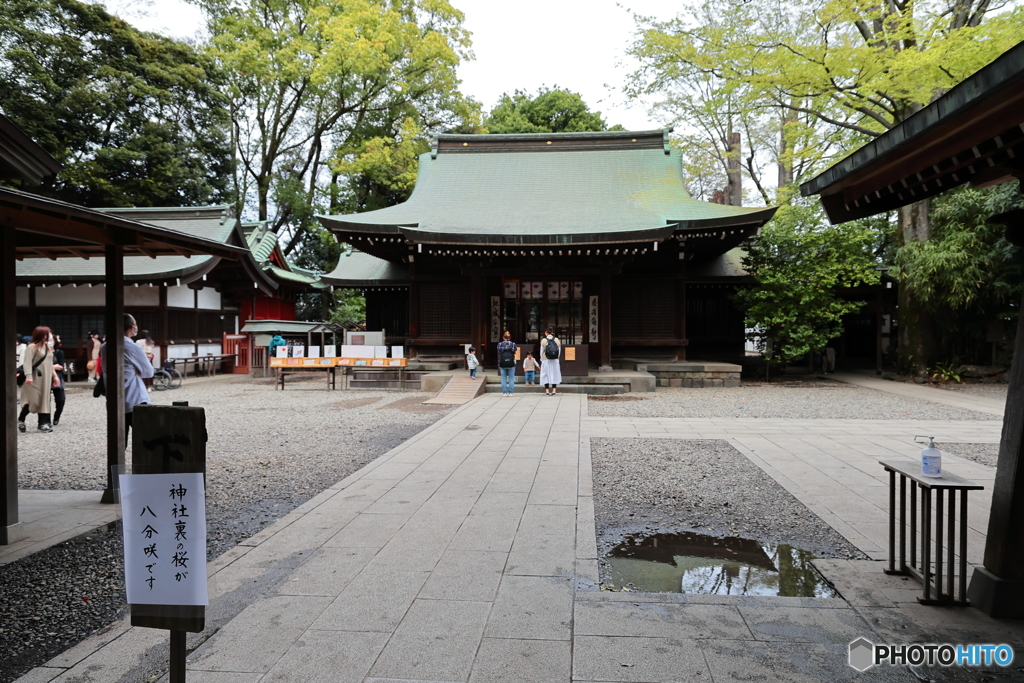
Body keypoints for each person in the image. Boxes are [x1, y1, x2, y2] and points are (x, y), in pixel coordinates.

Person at [101, 314, 154, 444]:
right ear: (132, 327)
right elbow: (148, 372)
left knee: (118, 440)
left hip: (114, 399)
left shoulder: (105, 346)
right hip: (135, 398)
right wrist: (136, 370)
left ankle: (116, 464)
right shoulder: (133, 347)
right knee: (144, 438)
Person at [18, 326, 59, 432]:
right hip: (33, 378)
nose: (49, 335)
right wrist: (28, 376)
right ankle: (21, 419)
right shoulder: (32, 347)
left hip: (45, 378)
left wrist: (55, 376)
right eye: (47, 333)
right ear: (41, 334)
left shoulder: (47, 347)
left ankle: (42, 424)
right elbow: (27, 362)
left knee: (44, 400)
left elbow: (50, 364)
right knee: (33, 401)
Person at [539, 326, 562, 396]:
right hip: (555, 360)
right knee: (554, 374)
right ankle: (554, 391)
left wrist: (541, 359)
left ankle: (547, 391)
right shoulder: (557, 340)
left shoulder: (543, 340)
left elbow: (541, 351)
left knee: (546, 374)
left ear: (546, 332)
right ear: (552, 332)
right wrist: (557, 357)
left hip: (546, 360)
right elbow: (559, 351)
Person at [51, 333, 67, 426]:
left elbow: (60, 366)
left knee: (61, 400)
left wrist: (49, 367)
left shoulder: (59, 352)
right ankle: (45, 420)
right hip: (44, 377)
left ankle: (56, 417)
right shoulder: (41, 352)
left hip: (57, 377)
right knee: (44, 401)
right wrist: (53, 366)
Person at [497, 331, 517, 396]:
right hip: (511, 362)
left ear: (503, 337)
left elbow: (499, 352)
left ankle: (504, 392)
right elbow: (514, 351)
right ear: (510, 337)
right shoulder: (513, 344)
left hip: (502, 362)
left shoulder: (500, 344)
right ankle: (511, 392)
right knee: (511, 378)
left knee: (503, 378)